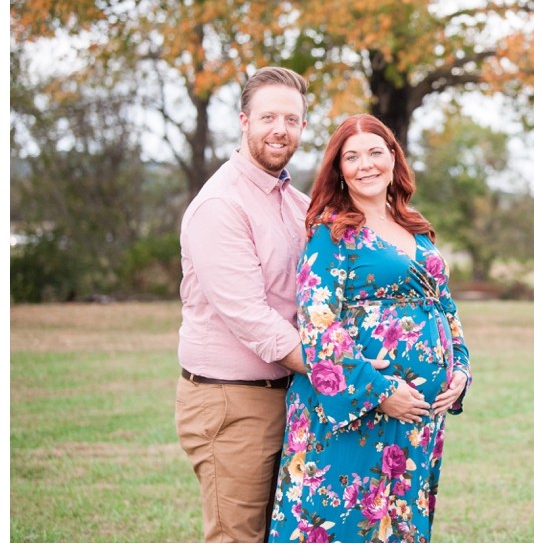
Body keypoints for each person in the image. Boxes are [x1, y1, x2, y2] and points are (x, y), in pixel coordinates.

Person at [268, 114, 472, 543]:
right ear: (339, 170)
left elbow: (445, 305)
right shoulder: (331, 232)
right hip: (357, 412)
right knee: (343, 523)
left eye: (376, 152)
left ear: (393, 158)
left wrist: (460, 370)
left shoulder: (415, 225)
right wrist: (379, 391)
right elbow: (317, 320)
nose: (366, 165)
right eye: (352, 157)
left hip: (418, 417)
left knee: (400, 526)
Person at [175, 66, 314, 543]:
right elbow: (252, 319)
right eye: (268, 117)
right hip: (232, 401)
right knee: (238, 541)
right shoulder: (221, 205)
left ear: (302, 127)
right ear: (244, 121)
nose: (280, 129)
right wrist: (341, 372)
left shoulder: (298, 205)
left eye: (291, 119)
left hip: (291, 395)